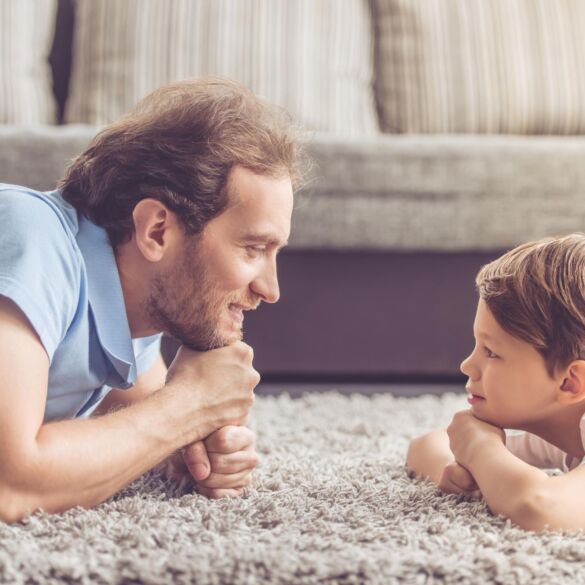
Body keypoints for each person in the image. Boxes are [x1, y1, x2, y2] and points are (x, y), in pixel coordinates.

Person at [0, 77, 305, 522]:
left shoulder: (133, 309)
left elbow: (147, 422)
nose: (271, 290)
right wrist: (189, 406)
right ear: (157, 230)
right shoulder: (30, 237)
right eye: (253, 249)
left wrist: (189, 450)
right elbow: (11, 480)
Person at [407, 233, 585, 532]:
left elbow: (538, 508)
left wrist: (479, 449)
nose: (467, 365)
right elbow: (425, 445)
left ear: (570, 383)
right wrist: (472, 473)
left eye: (491, 352)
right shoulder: (565, 426)